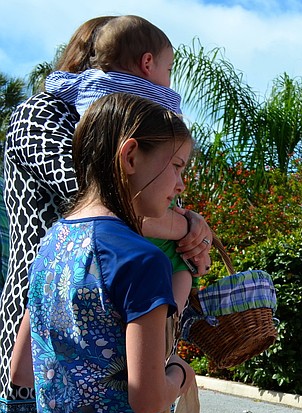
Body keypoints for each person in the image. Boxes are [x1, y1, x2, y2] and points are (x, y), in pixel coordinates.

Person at [1, 17, 210, 413]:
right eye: (176, 167)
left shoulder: (50, 249)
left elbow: (22, 371)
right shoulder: (140, 260)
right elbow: (145, 398)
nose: (181, 185)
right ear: (130, 154)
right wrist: (181, 373)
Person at [44, 15, 194, 315]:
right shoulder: (159, 101)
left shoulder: (51, 250)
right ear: (147, 62)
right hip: (141, 221)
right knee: (179, 267)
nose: (169, 78)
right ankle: (168, 321)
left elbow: (57, 84)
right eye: (169, 69)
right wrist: (187, 225)